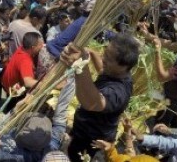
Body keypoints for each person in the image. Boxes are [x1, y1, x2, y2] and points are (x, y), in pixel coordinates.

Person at [60, 33, 140, 162]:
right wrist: (88, 52)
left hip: (92, 145)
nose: (103, 58)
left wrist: (80, 66)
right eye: (105, 52)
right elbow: (102, 69)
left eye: (108, 58)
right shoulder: (114, 72)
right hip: (81, 133)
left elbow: (92, 103)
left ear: (123, 66)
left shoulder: (119, 91)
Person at [2, 32, 44, 97]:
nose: (42, 46)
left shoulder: (23, 48)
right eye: (40, 45)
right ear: (33, 47)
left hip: (7, 82)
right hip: (13, 90)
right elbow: (28, 82)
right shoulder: (25, 60)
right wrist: (45, 84)